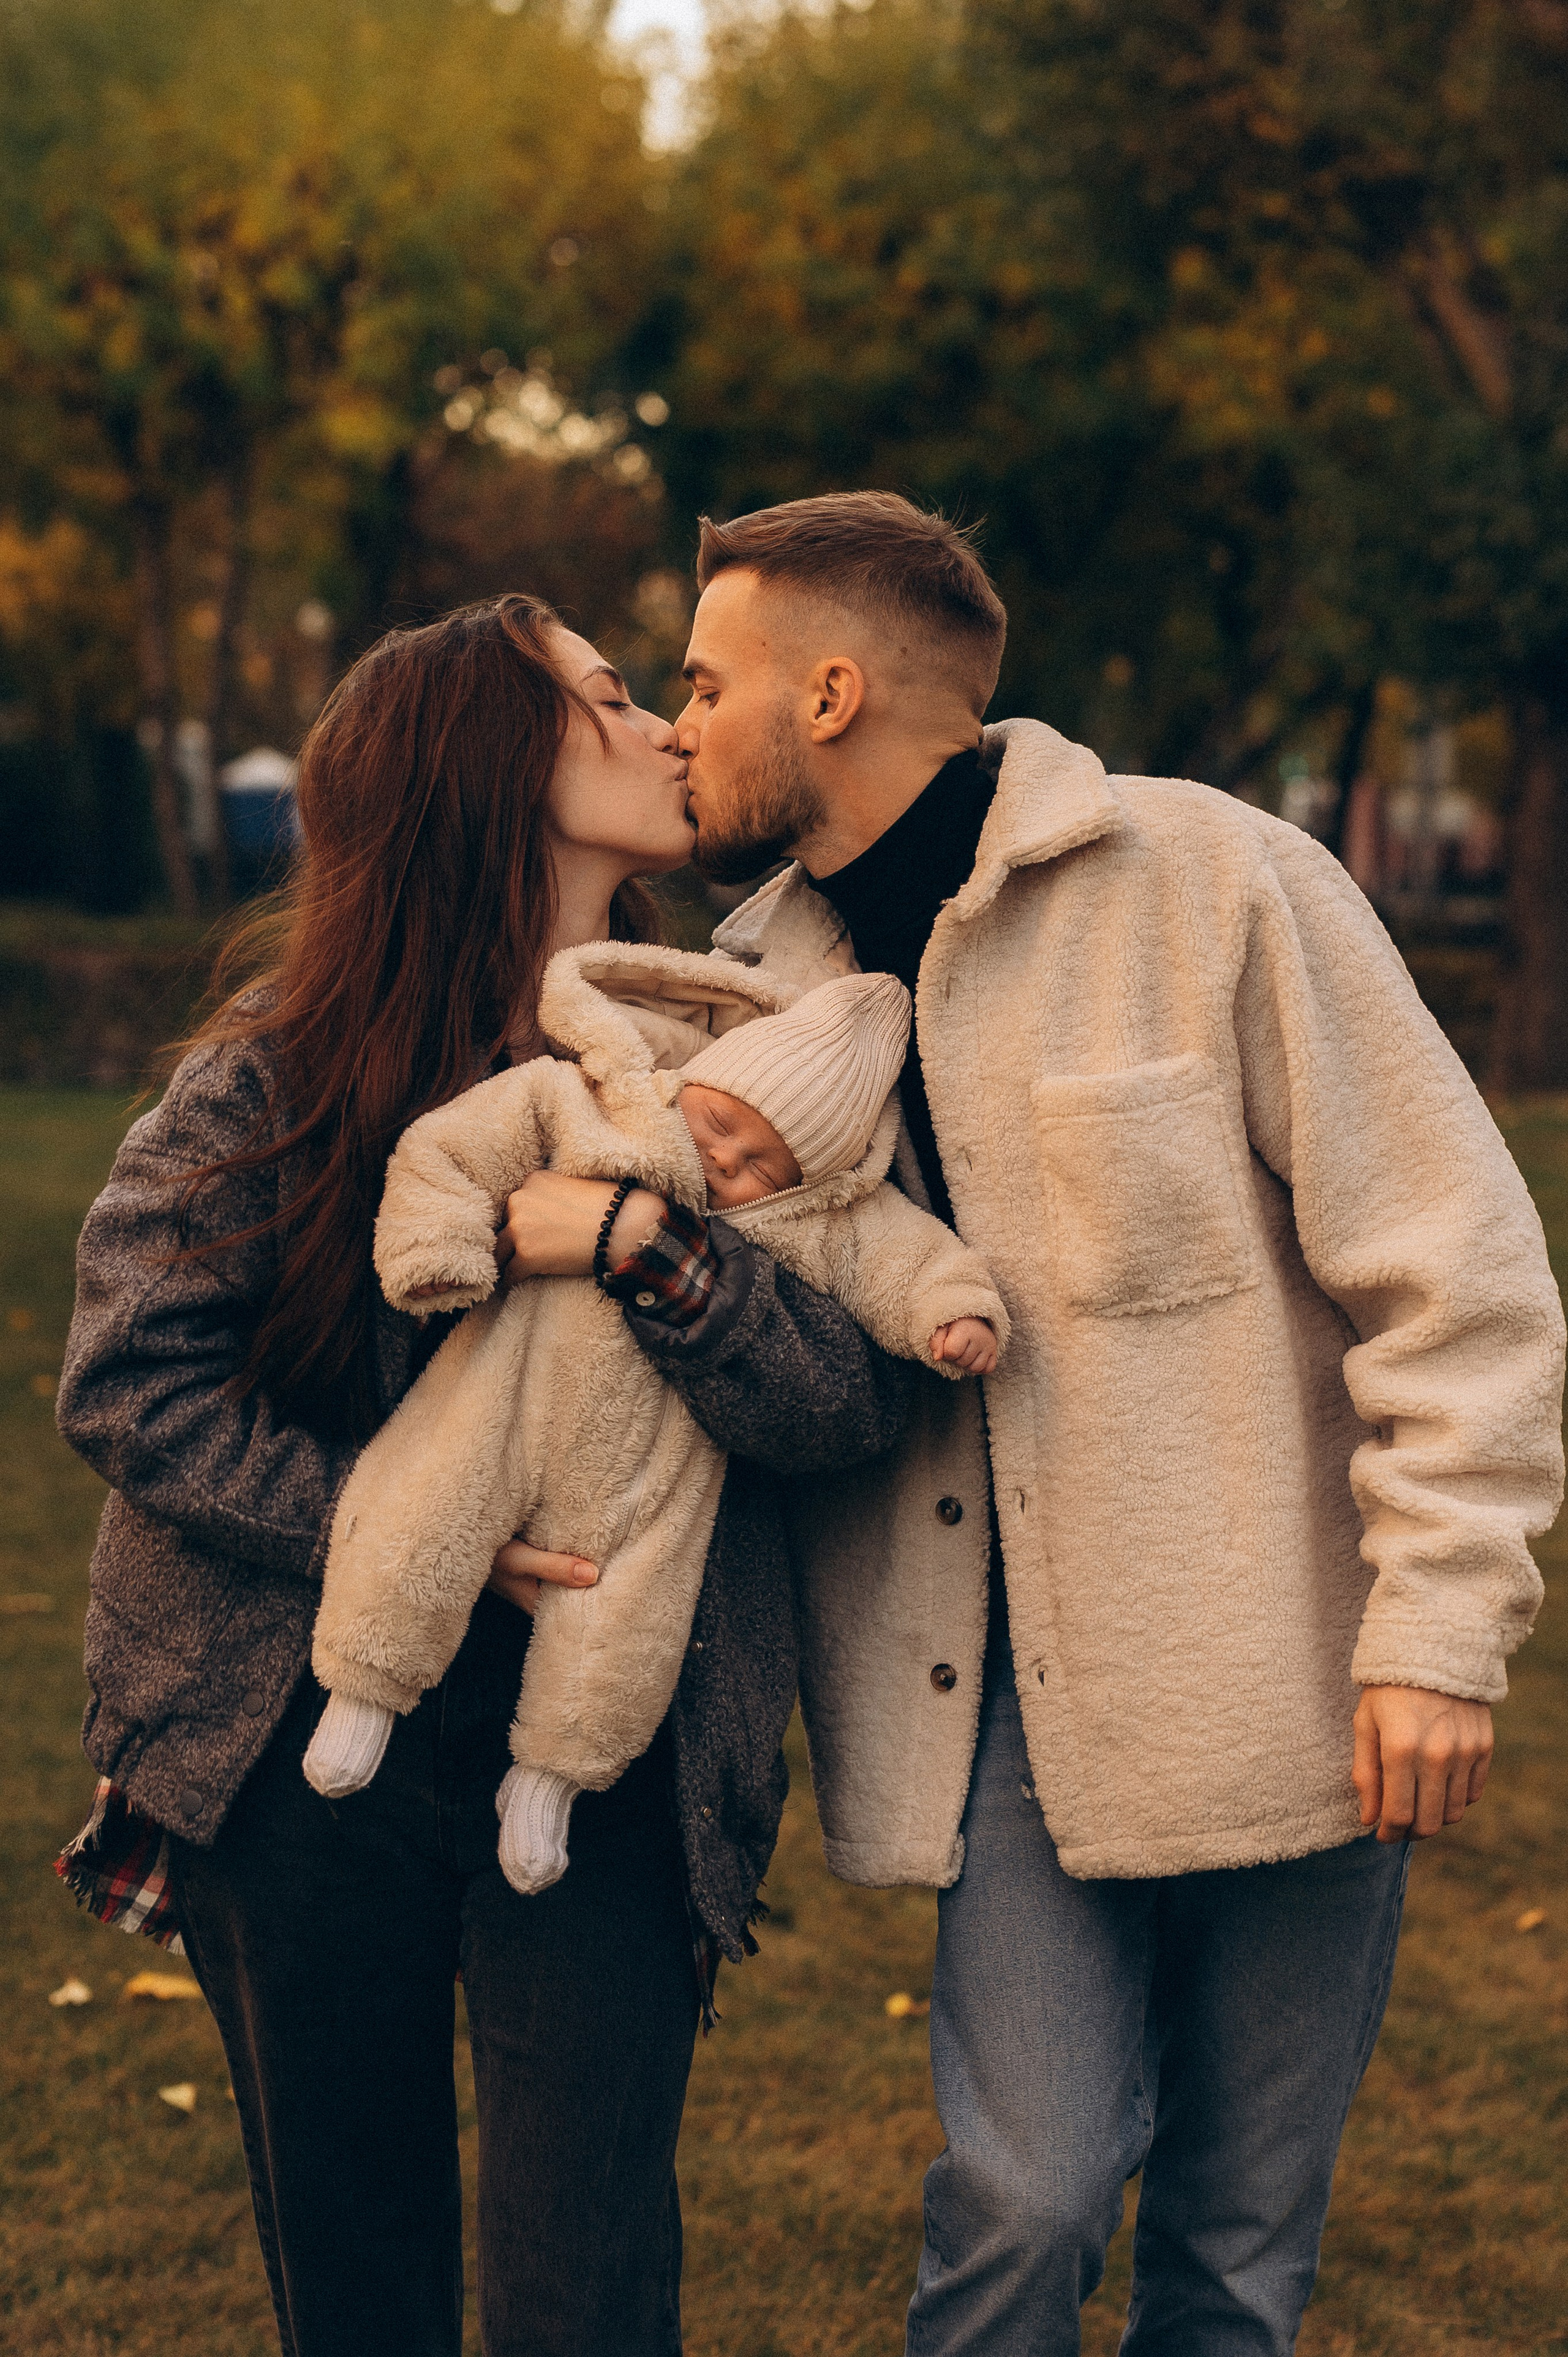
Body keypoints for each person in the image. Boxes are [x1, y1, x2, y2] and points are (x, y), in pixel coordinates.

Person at [671, 492, 1567, 2355]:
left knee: (1240, 2256)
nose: (678, 723)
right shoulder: (754, 987)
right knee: (1026, 2198)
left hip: (1300, 1674)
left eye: (704, 681)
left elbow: (1458, 1270)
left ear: (827, 691)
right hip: (997, 1704)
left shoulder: (1216, 877)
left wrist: (1437, 1631)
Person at [53, 592, 918, 2357]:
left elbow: (844, 1402)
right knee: (354, 2275)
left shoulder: (737, 1071)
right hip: (297, 1739)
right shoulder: (276, 1079)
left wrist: (635, 1242)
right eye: (616, 696)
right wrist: (404, 1533)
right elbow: (130, 1379)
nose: (674, 725)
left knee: (583, 2292)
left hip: (610, 1747)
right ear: (490, 763)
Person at [302, 956, 1005, 1895]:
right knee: (422, 1512)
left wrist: (956, 1314)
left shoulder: (807, 1219)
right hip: (501, 1390)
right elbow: (452, 1148)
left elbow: (909, 1259)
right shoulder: (596, 1103)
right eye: (721, 1126)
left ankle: (550, 1783)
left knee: (625, 1622)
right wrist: (438, 1248)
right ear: (700, 1079)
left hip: (654, 1466)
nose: (728, 1163)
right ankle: (361, 1691)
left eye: (766, 1164)